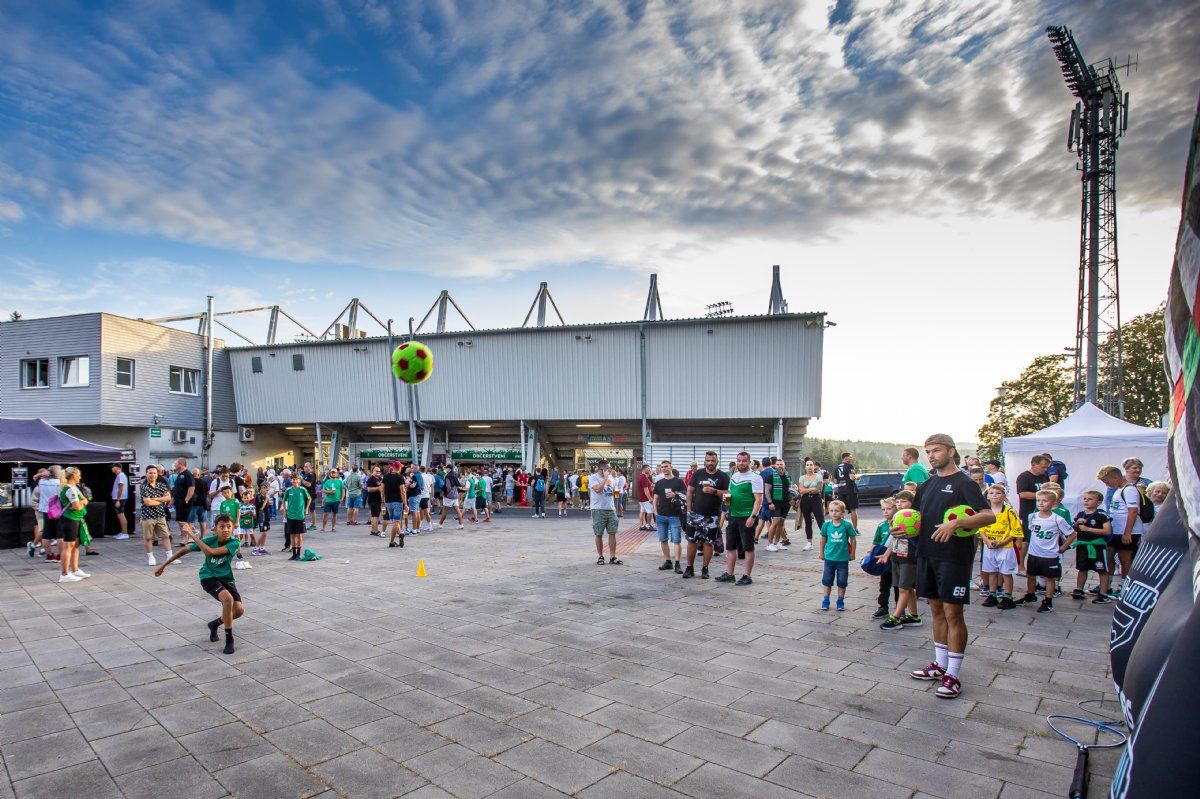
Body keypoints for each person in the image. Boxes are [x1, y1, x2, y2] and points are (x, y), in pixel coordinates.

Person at [909, 434, 992, 699]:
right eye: (928, 451)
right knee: (935, 609)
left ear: (951, 452)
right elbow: (916, 518)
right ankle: (939, 665)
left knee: (953, 613)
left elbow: (988, 515)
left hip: (953, 556)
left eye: (936, 450)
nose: (931, 455)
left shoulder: (964, 483)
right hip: (927, 553)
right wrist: (903, 529)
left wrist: (956, 523)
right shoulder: (926, 485)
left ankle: (953, 675)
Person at [154, 514, 243, 654]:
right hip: (208, 577)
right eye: (222, 527)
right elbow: (185, 550)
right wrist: (163, 565)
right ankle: (229, 638)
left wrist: (191, 534)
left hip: (226, 578)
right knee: (227, 599)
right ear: (215, 529)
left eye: (229, 527)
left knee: (238, 610)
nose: (226, 529)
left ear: (232, 529)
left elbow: (211, 552)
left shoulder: (234, 542)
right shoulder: (209, 540)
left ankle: (215, 624)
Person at [1018, 489, 1073, 613]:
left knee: (1049, 578)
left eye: (1045, 501)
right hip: (1034, 553)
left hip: (1050, 554)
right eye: (1038, 500)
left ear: (1053, 503)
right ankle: (1030, 595)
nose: (1041, 503)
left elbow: (1072, 534)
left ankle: (1048, 601)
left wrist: (1064, 547)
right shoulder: (1032, 516)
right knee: (1031, 575)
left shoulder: (1057, 519)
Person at [715, 451, 763, 586]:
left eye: (744, 461)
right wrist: (727, 507)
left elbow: (759, 499)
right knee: (730, 546)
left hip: (746, 516)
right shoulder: (734, 476)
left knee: (748, 547)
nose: (741, 463)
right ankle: (729, 574)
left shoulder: (755, 477)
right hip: (733, 516)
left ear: (749, 462)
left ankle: (747, 575)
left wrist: (753, 516)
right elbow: (730, 494)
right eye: (739, 460)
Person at [1098, 464, 1147, 595]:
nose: (1107, 485)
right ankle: (1106, 585)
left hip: (1128, 531)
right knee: (1109, 557)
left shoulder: (1129, 489)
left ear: (1115, 477)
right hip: (1116, 530)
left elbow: (1133, 511)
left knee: (1125, 559)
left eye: (1108, 482)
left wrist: (1127, 532)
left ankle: (1124, 587)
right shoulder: (1118, 490)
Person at [878, 490, 922, 630]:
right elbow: (894, 538)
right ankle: (914, 616)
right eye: (897, 502)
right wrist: (887, 554)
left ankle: (896, 617)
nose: (899, 504)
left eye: (903, 501)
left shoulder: (916, 517)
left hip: (909, 557)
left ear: (912, 502)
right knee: (906, 589)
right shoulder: (897, 517)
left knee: (904, 588)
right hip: (897, 555)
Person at [684, 451, 729, 579]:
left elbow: (728, 494)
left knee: (709, 543)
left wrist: (714, 491)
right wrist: (688, 509)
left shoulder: (723, 476)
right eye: (708, 460)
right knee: (691, 541)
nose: (710, 463)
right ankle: (689, 567)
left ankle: (705, 568)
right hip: (695, 513)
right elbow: (689, 491)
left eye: (712, 460)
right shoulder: (698, 473)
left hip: (713, 515)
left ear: (717, 461)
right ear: (705, 461)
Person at [976, 484, 1022, 610]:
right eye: (991, 493)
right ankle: (992, 594)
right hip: (989, 547)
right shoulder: (986, 511)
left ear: (1004, 495)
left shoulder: (1009, 511)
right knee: (991, 571)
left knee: (1006, 573)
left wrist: (1002, 542)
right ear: (987, 496)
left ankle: (1007, 596)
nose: (994, 495)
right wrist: (987, 541)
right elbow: (981, 529)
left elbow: (1015, 530)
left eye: (998, 493)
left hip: (1005, 547)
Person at [1070, 490, 1113, 602]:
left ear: (1098, 502)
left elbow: (1107, 531)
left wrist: (1088, 529)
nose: (1086, 501)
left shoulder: (1101, 515)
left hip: (1097, 545)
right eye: (1085, 499)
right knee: (1082, 568)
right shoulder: (1080, 514)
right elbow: (1074, 529)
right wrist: (1077, 524)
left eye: (1090, 499)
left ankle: (1104, 593)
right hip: (1082, 545)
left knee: (1102, 569)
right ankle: (1079, 589)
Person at [818, 500, 857, 610]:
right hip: (829, 558)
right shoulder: (826, 525)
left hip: (843, 559)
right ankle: (826, 600)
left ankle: (840, 601)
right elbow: (822, 540)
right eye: (831, 511)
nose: (834, 513)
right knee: (827, 581)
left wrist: (852, 553)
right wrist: (821, 552)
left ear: (843, 512)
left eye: (837, 511)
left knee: (842, 581)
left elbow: (853, 539)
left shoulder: (847, 525)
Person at [1014, 455, 1051, 565]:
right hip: (1028, 513)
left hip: (1043, 513)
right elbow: (1023, 494)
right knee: (1026, 540)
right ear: (1034, 464)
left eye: (1046, 468)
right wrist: (1042, 496)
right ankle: (1020, 566)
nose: (1045, 470)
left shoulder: (1044, 477)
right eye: (1043, 467)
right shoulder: (1024, 477)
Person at [56, 467, 90, 583]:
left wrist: (82, 502)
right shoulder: (69, 489)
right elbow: (79, 506)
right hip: (69, 519)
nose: (80, 477)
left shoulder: (74, 488)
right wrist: (82, 502)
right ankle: (64, 573)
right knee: (68, 545)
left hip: (76, 518)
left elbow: (86, 499)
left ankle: (75, 569)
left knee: (76, 544)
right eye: (78, 475)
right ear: (73, 475)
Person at [653, 462, 687, 573]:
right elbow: (655, 498)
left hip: (675, 515)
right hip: (661, 515)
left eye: (666, 466)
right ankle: (668, 561)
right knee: (663, 540)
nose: (664, 469)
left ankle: (677, 563)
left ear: (671, 467)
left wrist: (675, 494)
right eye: (662, 467)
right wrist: (655, 512)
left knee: (676, 540)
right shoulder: (659, 482)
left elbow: (686, 495)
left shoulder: (679, 481)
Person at [139, 465, 173, 567]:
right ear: (146, 474)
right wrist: (161, 499)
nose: (152, 475)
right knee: (148, 538)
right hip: (148, 516)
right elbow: (148, 502)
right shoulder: (143, 487)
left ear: (157, 474)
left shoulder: (161, 485)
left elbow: (168, 497)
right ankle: (151, 557)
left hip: (160, 515)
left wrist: (155, 499)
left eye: (154, 473)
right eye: (150, 473)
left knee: (166, 536)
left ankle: (170, 557)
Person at [589, 461, 621, 565]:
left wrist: (616, 490)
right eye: (608, 468)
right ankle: (600, 556)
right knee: (599, 533)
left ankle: (612, 556)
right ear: (601, 469)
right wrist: (605, 480)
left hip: (611, 509)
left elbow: (613, 493)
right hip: (598, 509)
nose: (610, 470)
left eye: (610, 468)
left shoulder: (611, 478)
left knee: (612, 532)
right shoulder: (593, 477)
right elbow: (597, 489)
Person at [871, 498, 899, 619]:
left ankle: (900, 609)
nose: (886, 512)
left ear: (896, 509)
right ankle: (883, 607)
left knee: (898, 585)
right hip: (884, 558)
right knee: (884, 584)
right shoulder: (882, 525)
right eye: (883, 509)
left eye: (889, 509)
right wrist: (869, 553)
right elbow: (876, 541)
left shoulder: (899, 523)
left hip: (897, 557)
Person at [33, 466, 61, 562]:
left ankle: (49, 555)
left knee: (47, 533)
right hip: (57, 509)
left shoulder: (42, 482)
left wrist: (41, 474)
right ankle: (60, 555)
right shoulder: (59, 482)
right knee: (60, 534)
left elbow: (35, 478)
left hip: (46, 509)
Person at [794, 459, 823, 551]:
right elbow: (801, 490)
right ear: (805, 467)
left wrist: (807, 489)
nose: (809, 466)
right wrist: (811, 489)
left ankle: (827, 541)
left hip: (816, 499)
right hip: (805, 500)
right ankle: (809, 542)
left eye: (811, 465)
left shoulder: (819, 476)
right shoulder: (802, 477)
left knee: (820, 521)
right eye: (807, 465)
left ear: (814, 466)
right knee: (807, 521)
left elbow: (819, 489)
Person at [763, 457, 791, 552]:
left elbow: (788, 488)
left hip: (786, 503)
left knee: (781, 523)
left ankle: (777, 542)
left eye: (781, 464)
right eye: (778, 464)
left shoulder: (787, 476)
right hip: (775, 503)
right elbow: (766, 490)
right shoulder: (770, 476)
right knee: (775, 523)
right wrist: (770, 502)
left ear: (784, 465)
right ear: (774, 466)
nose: (779, 466)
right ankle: (770, 544)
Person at [381, 462, 407, 546]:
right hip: (397, 502)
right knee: (396, 522)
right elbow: (403, 491)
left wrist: (382, 501)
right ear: (398, 467)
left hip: (388, 502)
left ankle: (400, 534)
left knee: (394, 521)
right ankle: (391, 542)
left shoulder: (385, 476)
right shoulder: (400, 477)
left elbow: (382, 490)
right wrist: (405, 504)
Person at [832, 452, 859, 530]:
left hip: (841, 490)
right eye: (850, 457)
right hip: (850, 490)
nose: (851, 458)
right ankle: (855, 529)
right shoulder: (850, 466)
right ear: (845, 458)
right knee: (853, 509)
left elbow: (835, 481)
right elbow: (852, 477)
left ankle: (841, 528)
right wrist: (857, 477)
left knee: (841, 509)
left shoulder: (837, 467)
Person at [320, 468, 344, 532]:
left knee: (334, 514)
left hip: (336, 500)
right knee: (325, 514)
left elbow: (343, 491)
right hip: (328, 500)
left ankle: (333, 528)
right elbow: (323, 490)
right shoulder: (328, 481)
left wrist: (341, 499)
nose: (333, 474)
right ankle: (323, 528)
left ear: (337, 474)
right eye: (332, 472)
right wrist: (329, 492)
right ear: (330, 474)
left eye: (334, 472)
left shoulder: (340, 482)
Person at [111, 463, 130, 539]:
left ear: (117, 468)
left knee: (121, 515)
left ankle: (125, 533)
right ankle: (123, 532)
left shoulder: (120, 475)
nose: (112, 469)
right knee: (120, 515)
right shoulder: (119, 475)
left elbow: (121, 487)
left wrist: (118, 500)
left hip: (120, 499)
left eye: (113, 467)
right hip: (119, 498)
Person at [365, 465, 384, 535]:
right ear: (372, 471)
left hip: (377, 500)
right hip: (373, 500)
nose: (378, 472)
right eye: (376, 471)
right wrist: (378, 488)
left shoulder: (378, 479)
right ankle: (376, 531)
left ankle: (373, 530)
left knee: (376, 516)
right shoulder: (371, 479)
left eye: (379, 471)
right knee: (375, 516)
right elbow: (369, 489)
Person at [636, 464, 655, 531]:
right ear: (644, 469)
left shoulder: (640, 476)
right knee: (650, 512)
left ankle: (641, 525)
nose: (650, 470)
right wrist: (650, 498)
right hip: (645, 498)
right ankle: (648, 525)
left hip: (641, 498)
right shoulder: (644, 477)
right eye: (648, 469)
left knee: (642, 511)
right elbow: (645, 489)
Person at [299, 462, 317, 530]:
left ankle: (313, 525)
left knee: (312, 510)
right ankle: (302, 524)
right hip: (304, 495)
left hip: (310, 495)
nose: (304, 468)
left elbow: (309, 484)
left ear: (308, 467)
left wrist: (301, 480)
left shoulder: (311, 475)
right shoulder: (305, 475)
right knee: (303, 509)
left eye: (305, 467)